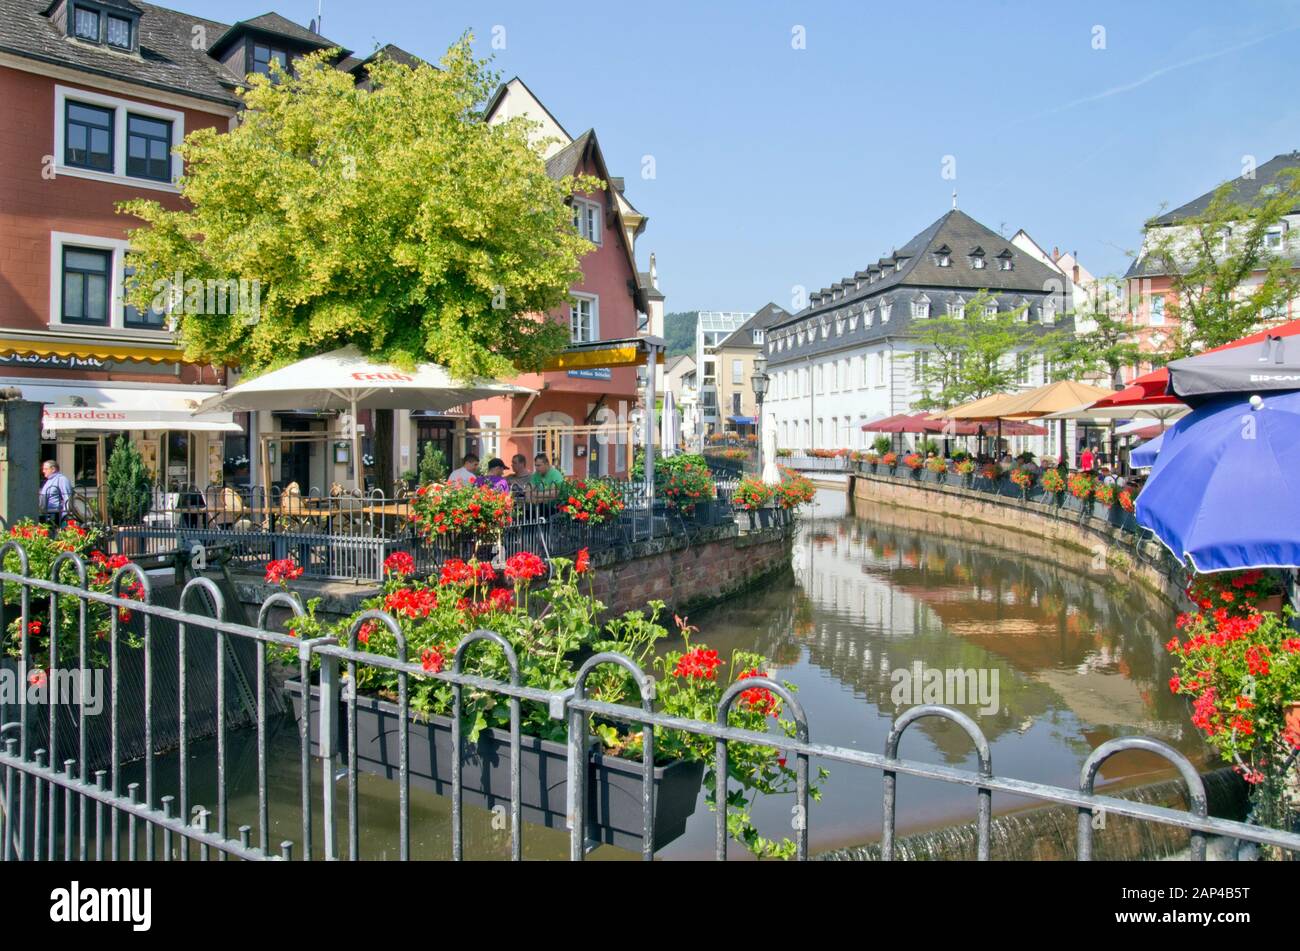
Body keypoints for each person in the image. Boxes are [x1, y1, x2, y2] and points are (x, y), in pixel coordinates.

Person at [39, 460, 74, 528]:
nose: (43, 471)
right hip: (46, 514)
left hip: (56, 514)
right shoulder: (49, 480)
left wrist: (65, 517)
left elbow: (67, 498)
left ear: (53, 469)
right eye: (43, 469)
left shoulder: (61, 479)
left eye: (45, 469)